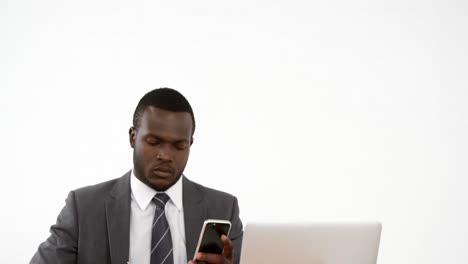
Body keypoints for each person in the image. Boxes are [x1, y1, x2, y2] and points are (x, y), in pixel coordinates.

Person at [30, 88, 243, 264]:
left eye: (179, 146)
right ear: (133, 137)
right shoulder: (84, 208)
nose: (165, 155)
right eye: (154, 142)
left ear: (190, 145)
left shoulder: (224, 209)